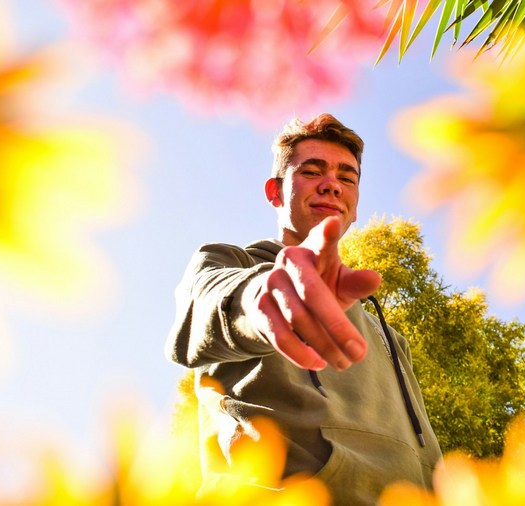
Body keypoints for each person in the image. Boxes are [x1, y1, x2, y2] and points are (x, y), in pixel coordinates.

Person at [166, 113, 442, 504]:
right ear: (275, 192)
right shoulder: (231, 265)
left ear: (356, 202)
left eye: (347, 177)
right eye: (312, 172)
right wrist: (267, 301)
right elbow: (205, 307)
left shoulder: (390, 337)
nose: (332, 184)